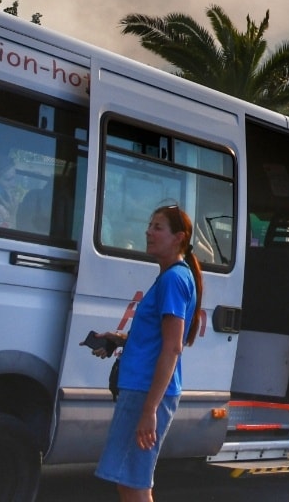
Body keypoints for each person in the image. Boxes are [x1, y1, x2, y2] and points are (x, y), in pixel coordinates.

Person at [93, 204, 202, 502]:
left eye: (157, 227)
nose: (148, 232)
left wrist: (149, 410)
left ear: (178, 237)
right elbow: (155, 338)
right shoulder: (170, 277)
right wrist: (117, 339)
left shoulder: (174, 279)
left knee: (133, 484)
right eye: (149, 226)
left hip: (146, 392)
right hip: (141, 389)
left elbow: (173, 346)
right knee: (130, 482)